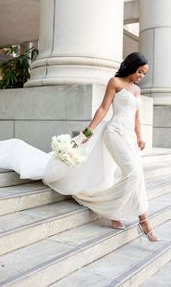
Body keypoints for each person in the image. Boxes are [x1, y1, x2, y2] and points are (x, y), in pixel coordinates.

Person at [0, 52, 159, 242]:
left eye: (144, 74)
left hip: (130, 138)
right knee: (133, 174)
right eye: (139, 72)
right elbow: (102, 109)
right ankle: (142, 221)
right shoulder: (115, 82)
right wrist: (87, 133)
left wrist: (140, 137)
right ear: (132, 66)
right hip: (114, 133)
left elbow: (136, 117)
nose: (141, 76)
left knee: (136, 175)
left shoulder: (137, 91)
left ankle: (125, 216)